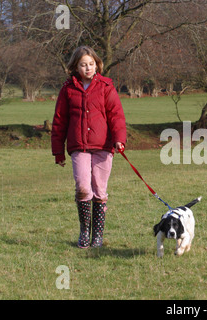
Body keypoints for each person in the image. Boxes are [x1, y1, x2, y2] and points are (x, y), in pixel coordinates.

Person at [51, 46, 127, 249]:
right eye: (83, 65)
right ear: (75, 67)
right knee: (83, 188)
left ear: (97, 65)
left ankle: (98, 236)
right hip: (79, 147)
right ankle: (85, 231)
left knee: (100, 190)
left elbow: (116, 115)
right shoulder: (68, 89)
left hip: (103, 146)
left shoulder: (106, 86)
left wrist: (119, 138)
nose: (88, 68)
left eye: (91, 64)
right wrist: (58, 151)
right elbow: (59, 121)